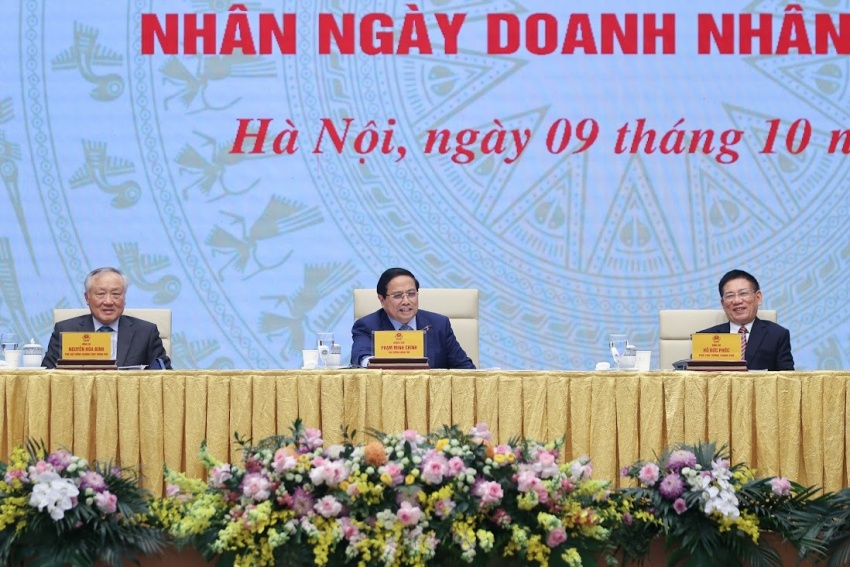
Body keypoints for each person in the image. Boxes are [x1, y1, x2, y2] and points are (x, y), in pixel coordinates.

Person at [42, 267, 172, 369]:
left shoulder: (146, 332)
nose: (108, 301)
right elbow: (47, 377)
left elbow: (165, 378)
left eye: (116, 294)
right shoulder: (65, 330)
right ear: (87, 298)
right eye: (101, 294)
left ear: (124, 297)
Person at [350, 267, 475, 369]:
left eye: (411, 294)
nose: (406, 301)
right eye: (397, 295)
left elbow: (464, 368)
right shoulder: (367, 326)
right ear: (381, 299)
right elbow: (360, 357)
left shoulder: (439, 324)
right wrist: (376, 364)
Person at [697, 269, 793, 371]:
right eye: (730, 296)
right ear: (723, 303)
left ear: (758, 297)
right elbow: (695, 376)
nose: (737, 301)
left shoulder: (777, 335)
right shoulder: (705, 338)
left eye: (743, 293)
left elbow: (787, 377)